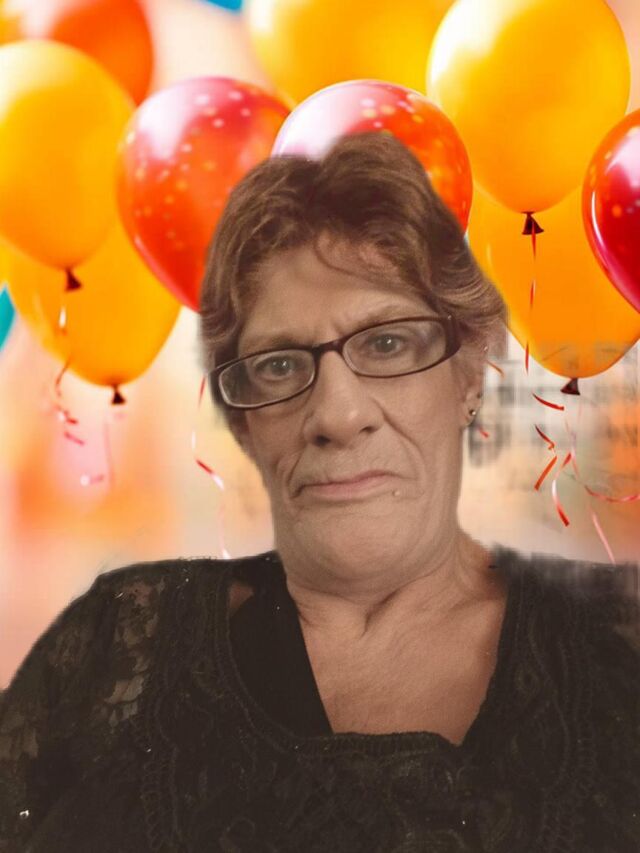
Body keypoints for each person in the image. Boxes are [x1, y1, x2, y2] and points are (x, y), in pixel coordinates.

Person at [1, 132, 638, 853]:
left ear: (469, 375)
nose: (337, 414)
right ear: (243, 420)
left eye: (387, 344)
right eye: (279, 364)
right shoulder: (117, 652)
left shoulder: (620, 644)